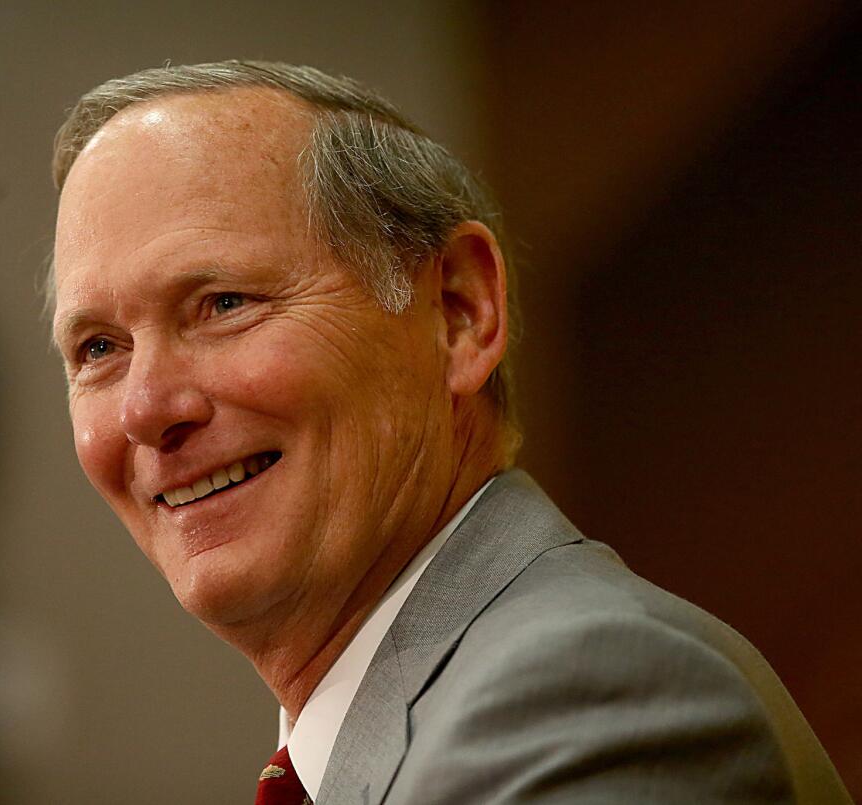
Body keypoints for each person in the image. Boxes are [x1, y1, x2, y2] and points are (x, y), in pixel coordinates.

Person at [47, 61, 849, 804]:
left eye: (224, 303)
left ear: (460, 313)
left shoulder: (585, 701)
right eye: (99, 349)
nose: (146, 408)